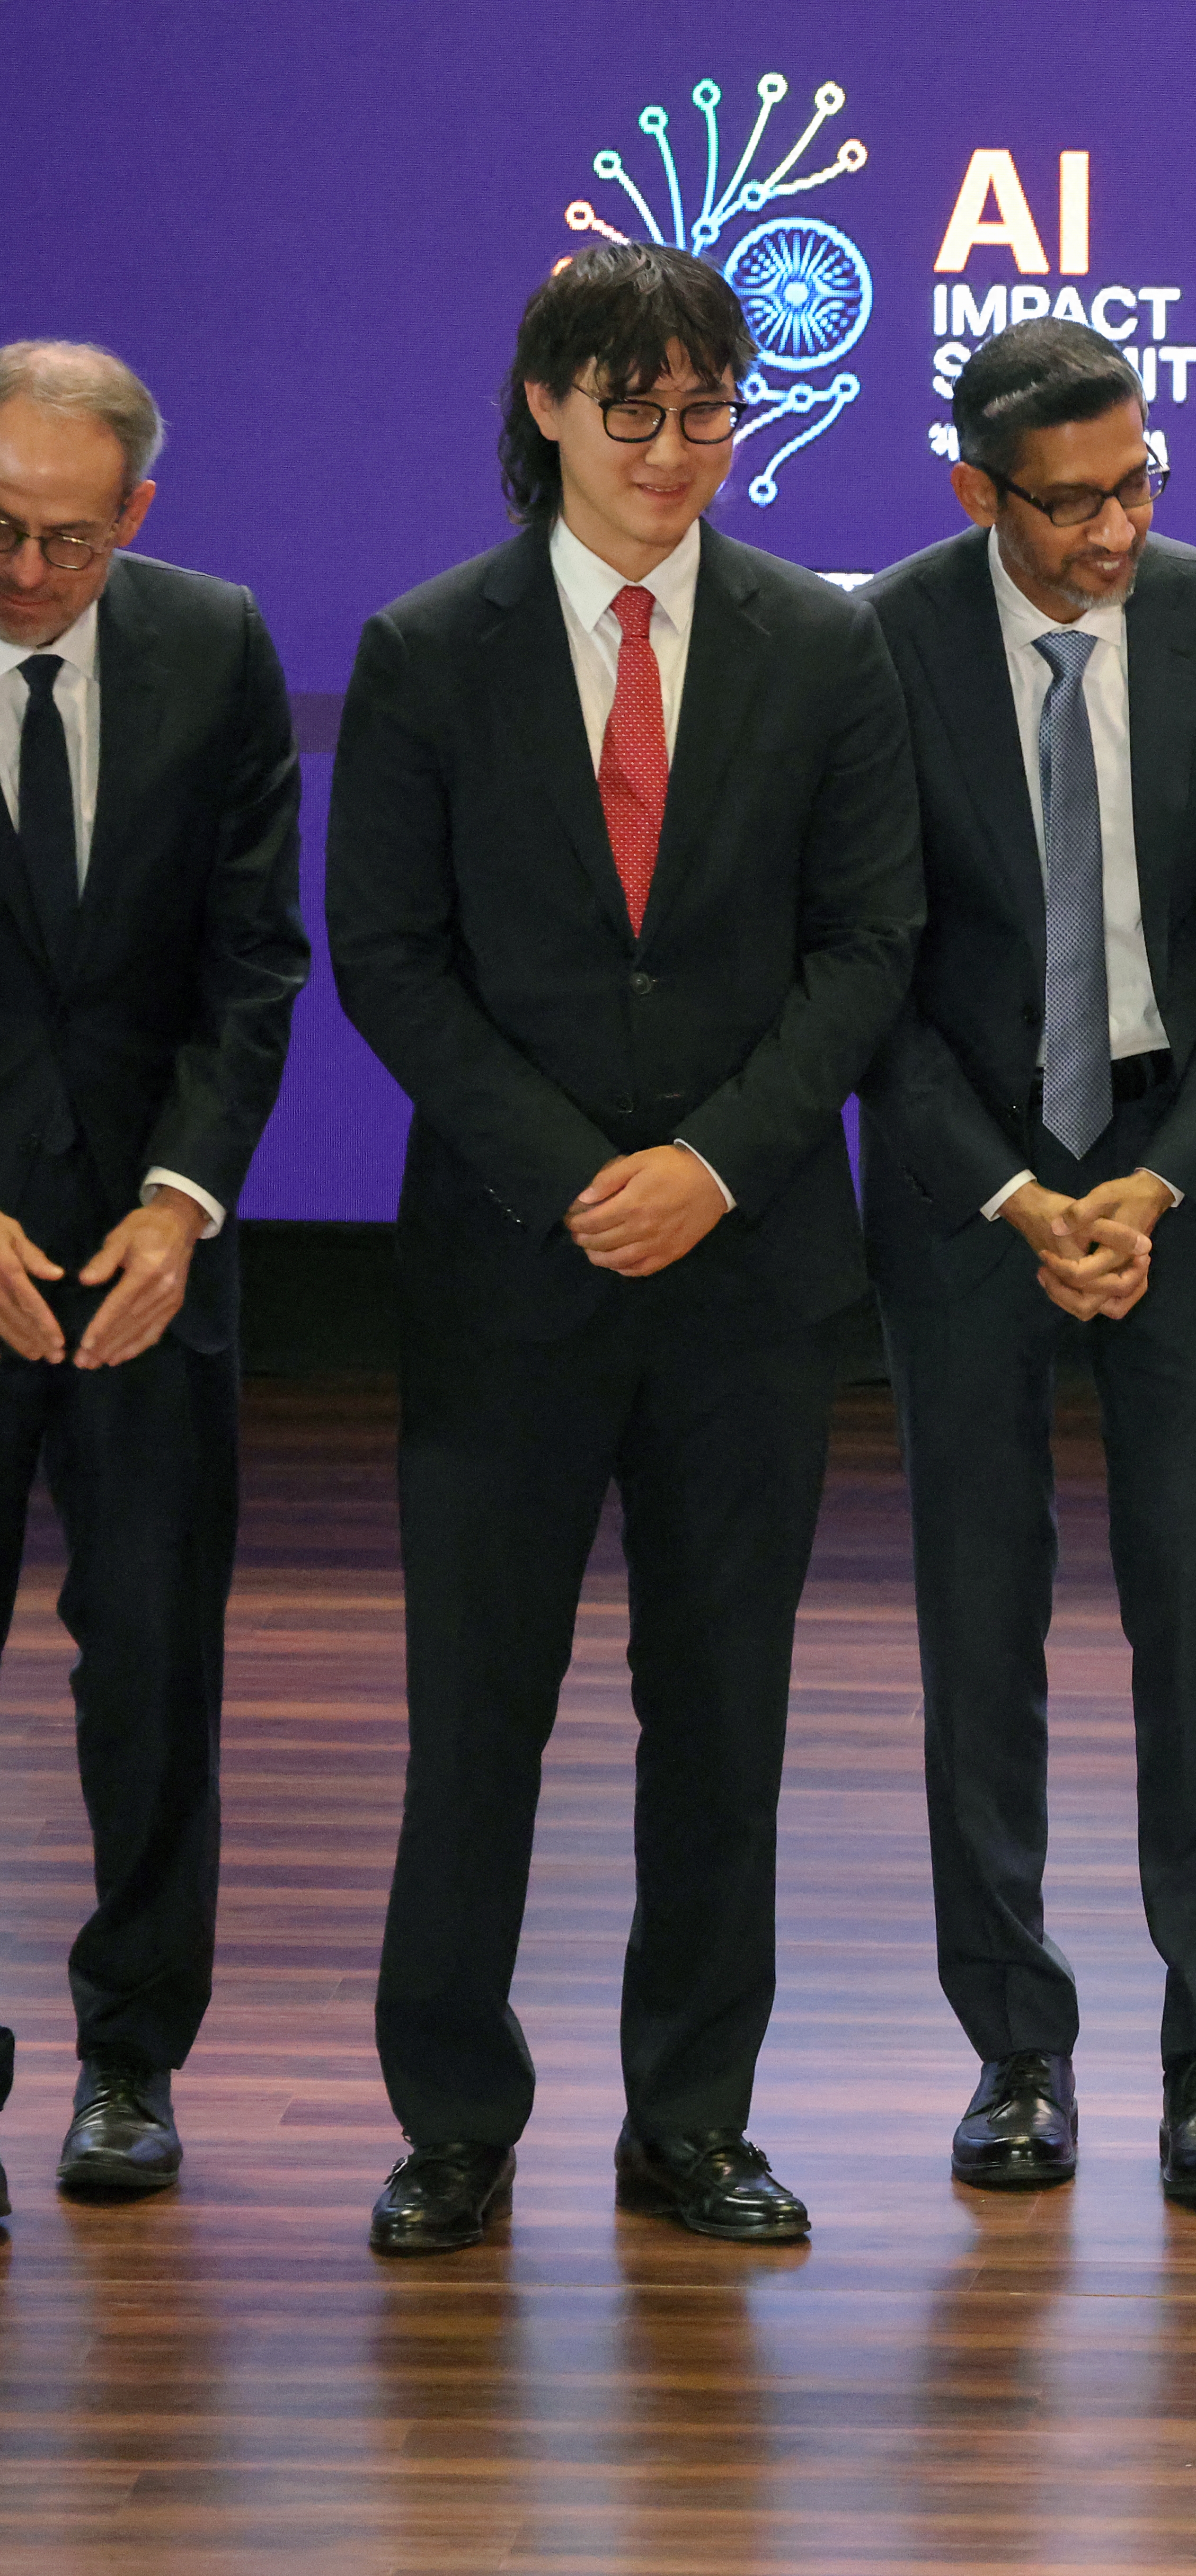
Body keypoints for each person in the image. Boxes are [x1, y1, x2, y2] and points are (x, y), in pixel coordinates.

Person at [328, 242, 922, 2255]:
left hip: (749, 1278)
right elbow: (388, 956)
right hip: (510, 1270)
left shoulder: (822, 642)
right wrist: (582, 1174)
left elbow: (869, 945)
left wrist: (713, 1165)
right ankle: (453, 2118)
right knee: (475, 1717)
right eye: (635, 411)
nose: (675, 451)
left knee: (723, 1714)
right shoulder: (430, 647)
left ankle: (691, 2115)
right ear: (547, 409)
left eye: (708, 412)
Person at [856, 320, 1196, 2202]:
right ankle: (1015, 2050)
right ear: (976, 490)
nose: (1114, 531)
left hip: (1179, 1173)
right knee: (978, 1620)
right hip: (967, 1180)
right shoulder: (883, 641)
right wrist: (1009, 1189)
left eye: (1136, 485)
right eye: (1068, 504)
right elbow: (864, 963)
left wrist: (1160, 1181)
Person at [0, 341, 308, 2201]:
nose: (30, 573)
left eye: (70, 538)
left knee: (152, 1670)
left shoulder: (214, 643)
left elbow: (252, 955)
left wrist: (183, 1201)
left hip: (144, 1259)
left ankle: (131, 2058)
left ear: (137, 516)